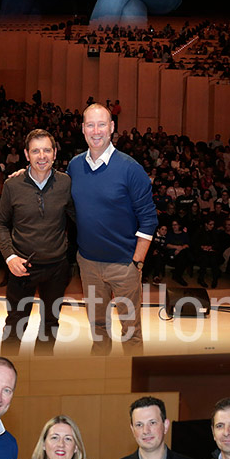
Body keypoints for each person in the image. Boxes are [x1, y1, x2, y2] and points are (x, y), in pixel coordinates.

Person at [67, 103, 157, 353]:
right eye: (90, 125)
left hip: (124, 265)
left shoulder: (131, 169)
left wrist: (137, 261)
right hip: (88, 264)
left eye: (102, 124)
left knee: (131, 332)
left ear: (112, 128)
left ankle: (133, 386)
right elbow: (53, 189)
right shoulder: (74, 166)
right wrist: (23, 174)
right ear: (83, 129)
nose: (96, 131)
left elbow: (149, 218)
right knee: (98, 329)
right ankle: (100, 379)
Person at [0, 128, 76, 351]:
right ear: (26, 154)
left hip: (57, 267)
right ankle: (7, 372)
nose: (42, 156)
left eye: (47, 150)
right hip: (22, 268)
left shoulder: (66, 183)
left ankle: (41, 372)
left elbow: (80, 217)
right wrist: (10, 256)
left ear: (55, 153)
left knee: (51, 324)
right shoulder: (12, 185)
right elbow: (0, 224)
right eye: (36, 151)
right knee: (15, 324)